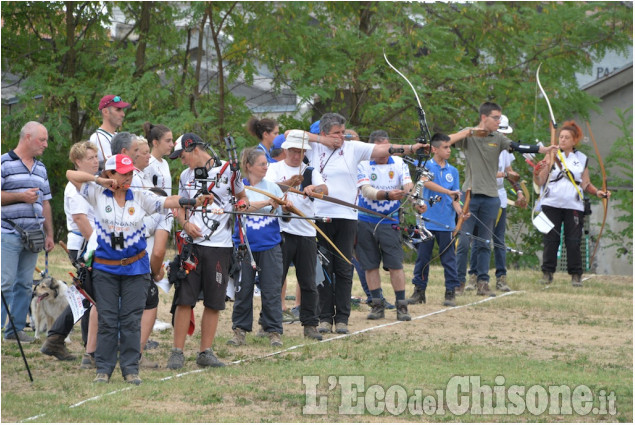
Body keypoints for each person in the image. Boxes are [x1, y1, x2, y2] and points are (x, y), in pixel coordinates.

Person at [66, 154, 210, 384]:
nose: (129, 177)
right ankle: (103, 369)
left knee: (132, 320)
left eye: (131, 173)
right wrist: (99, 180)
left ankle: (131, 369)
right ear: (111, 173)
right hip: (106, 269)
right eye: (123, 173)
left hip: (136, 269)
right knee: (108, 319)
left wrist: (194, 202)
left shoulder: (140, 196)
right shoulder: (95, 192)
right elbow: (70, 175)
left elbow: (167, 201)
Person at [297, 112, 427, 334]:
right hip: (320, 214)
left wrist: (413, 148)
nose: (341, 137)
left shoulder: (352, 147)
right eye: (336, 133)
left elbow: (383, 149)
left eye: (342, 132)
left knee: (344, 267)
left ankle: (342, 319)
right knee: (324, 268)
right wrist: (322, 141)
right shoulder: (313, 146)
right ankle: (325, 317)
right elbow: (289, 135)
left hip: (347, 216)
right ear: (324, 132)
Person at [449, 102, 556, 296]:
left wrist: (542, 150)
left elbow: (516, 146)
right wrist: (468, 132)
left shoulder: (498, 138)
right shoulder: (468, 134)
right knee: (463, 241)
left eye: (500, 118)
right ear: (484, 118)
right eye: (496, 118)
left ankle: (483, 282)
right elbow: (445, 142)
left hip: (491, 197)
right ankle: (458, 283)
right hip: (470, 196)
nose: (499, 122)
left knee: (484, 242)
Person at [167, 133, 249, 369]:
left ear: (193, 149)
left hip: (219, 247)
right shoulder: (185, 175)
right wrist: (185, 224)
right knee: (185, 299)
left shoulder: (229, 171)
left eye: (183, 156)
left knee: (214, 301)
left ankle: (205, 352)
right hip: (192, 246)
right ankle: (177, 352)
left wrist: (240, 205)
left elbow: (242, 198)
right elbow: (180, 206)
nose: (182, 161)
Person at [266, 131, 328, 340]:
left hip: (307, 231)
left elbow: (325, 189)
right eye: (292, 151)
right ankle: (269, 324)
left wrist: (314, 187)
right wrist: (290, 183)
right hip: (282, 231)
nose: (296, 155)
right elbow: (269, 190)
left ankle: (310, 324)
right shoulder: (274, 169)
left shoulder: (310, 170)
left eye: (300, 151)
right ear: (285, 150)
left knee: (308, 282)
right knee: (275, 280)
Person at [533, 120, 611, 287]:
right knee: (551, 239)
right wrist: (537, 172)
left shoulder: (581, 158)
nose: (562, 140)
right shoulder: (551, 154)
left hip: (573, 205)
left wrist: (598, 192)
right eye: (560, 137)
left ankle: (576, 275)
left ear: (574, 140)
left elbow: (585, 183)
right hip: (551, 202)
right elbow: (541, 180)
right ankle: (547, 273)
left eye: (567, 137)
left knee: (573, 241)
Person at [41, 142, 99, 362]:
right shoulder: (73, 188)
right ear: (77, 162)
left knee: (84, 296)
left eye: (96, 157)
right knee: (91, 297)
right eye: (90, 158)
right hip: (84, 245)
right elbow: (81, 220)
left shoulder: (92, 184)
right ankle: (89, 349)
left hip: (89, 243)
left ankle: (56, 339)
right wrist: (96, 247)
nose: (95, 161)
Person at [227, 148, 291, 347]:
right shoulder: (239, 188)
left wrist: (285, 206)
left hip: (270, 246)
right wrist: (267, 202)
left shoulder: (272, 187)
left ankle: (273, 331)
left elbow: (286, 218)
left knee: (271, 289)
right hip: (244, 247)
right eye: (262, 164)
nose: (266, 167)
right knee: (243, 289)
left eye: (266, 163)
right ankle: (239, 331)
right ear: (249, 166)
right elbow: (240, 206)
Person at [1, 121, 54, 343]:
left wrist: (49, 233)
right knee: (5, 282)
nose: (46, 145)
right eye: (42, 140)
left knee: (24, 284)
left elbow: (46, 203)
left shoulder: (40, 168)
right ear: (27, 138)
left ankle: (15, 330)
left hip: (33, 237)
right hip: (9, 233)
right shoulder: (4, 163)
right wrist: (20, 196)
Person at [356, 130, 413, 321]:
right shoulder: (362, 164)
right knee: (370, 265)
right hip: (365, 220)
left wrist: (413, 198)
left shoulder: (398, 162)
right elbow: (366, 191)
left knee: (395, 264)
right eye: (382, 150)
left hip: (390, 221)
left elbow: (408, 184)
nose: (386, 153)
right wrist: (386, 195)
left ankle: (401, 306)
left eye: (389, 149)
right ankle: (377, 304)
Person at [465, 115, 525, 292]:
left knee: (499, 240)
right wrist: (506, 176)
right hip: (481, 195)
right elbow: (487, 173)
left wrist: (519, 191)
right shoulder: (480, 146)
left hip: (499, 197)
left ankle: (501, 278)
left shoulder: (505, 150)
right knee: (479, 239)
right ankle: (473, 276)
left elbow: (509, 171)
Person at [408, 133, 464, 307]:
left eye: (449, 147)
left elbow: (455, 197)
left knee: (449, 258)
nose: (449, 151)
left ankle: (450, 291)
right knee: (423, 258)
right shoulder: (426, 166)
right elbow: (425, 183)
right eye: (445, 147)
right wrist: (447, 192)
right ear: (434, 149)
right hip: (426, 222)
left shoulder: (452, 171)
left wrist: (460, 211)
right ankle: (419, 291)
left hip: (446, 222)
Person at [90, 95, 130, 165]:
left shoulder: (116, 135)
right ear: (105, 112)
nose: (123, 114)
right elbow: (112, 167)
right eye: (118, 110)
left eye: (122, 110)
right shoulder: (98, 137)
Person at [143, 122, 174, 194]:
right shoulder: (148, 163)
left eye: (172, 140)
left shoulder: (165, 163)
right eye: (168, 141)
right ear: (155, 143)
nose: (172, 145)